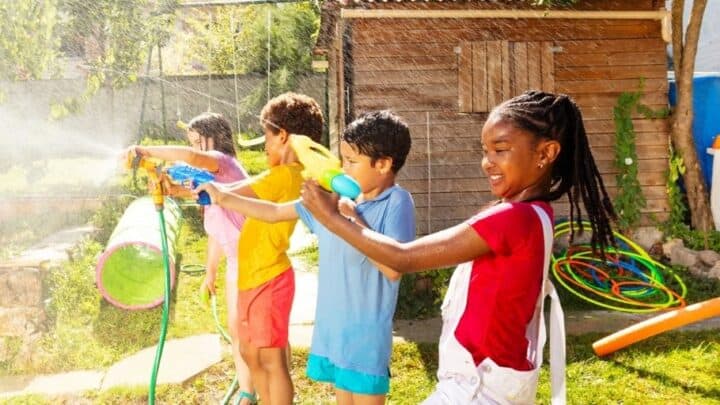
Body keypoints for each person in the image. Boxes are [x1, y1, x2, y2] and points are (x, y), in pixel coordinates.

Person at [300, 91, 617, 404]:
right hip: (497, 383)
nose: (487, 162)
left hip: (478, 388)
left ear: (545, 153)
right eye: (485, 151)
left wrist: (332, 218)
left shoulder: (513, 219)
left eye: (500, 150)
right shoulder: (537, 215)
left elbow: (403, 257)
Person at [196, 110, 415, 405]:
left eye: (352, 162)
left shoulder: (396, 202)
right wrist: (221, 196)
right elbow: (274, 212)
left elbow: (393, 268)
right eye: (342, 160)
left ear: (384, 164)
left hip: (365, 342)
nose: (344, 169)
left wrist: (352, 221)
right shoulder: (334, 200)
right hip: (334, 333)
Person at [195, 92, 323, 405]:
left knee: (271, 360)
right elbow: (224, 193)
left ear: (283, 137)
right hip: (253, 277)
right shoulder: (285, 176)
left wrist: (212, 191)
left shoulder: (283, 175)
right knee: (251, 353)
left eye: (266, 136)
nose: (264, 145)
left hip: (268, 279)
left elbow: (231, 191)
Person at [126, 112, 256, 404]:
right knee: (237, 330)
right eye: (192, 142)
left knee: (256, 333)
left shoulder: (224, 165)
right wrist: (210, 273)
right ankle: (248, 391)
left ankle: (273, 386)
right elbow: (218, 233)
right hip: (238, 263)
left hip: (256, 261)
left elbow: (191, 159)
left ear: (216, 139)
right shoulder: (210, 185)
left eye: (199, 142)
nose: (196, 149)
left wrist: (145, 150)